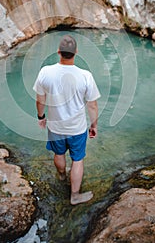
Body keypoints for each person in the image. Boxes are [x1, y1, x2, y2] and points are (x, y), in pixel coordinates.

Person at [33, 34, 100, 205]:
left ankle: (62, 176)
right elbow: (92, 106)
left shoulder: (45, 72)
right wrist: (94, 125)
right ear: (76, 52)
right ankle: (75, 195)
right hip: (77, 128)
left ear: (58, 52)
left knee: (59, 153)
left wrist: (41, 117)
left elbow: (40, 100)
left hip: (55, 126)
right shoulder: (86, 76)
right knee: (77, 159)